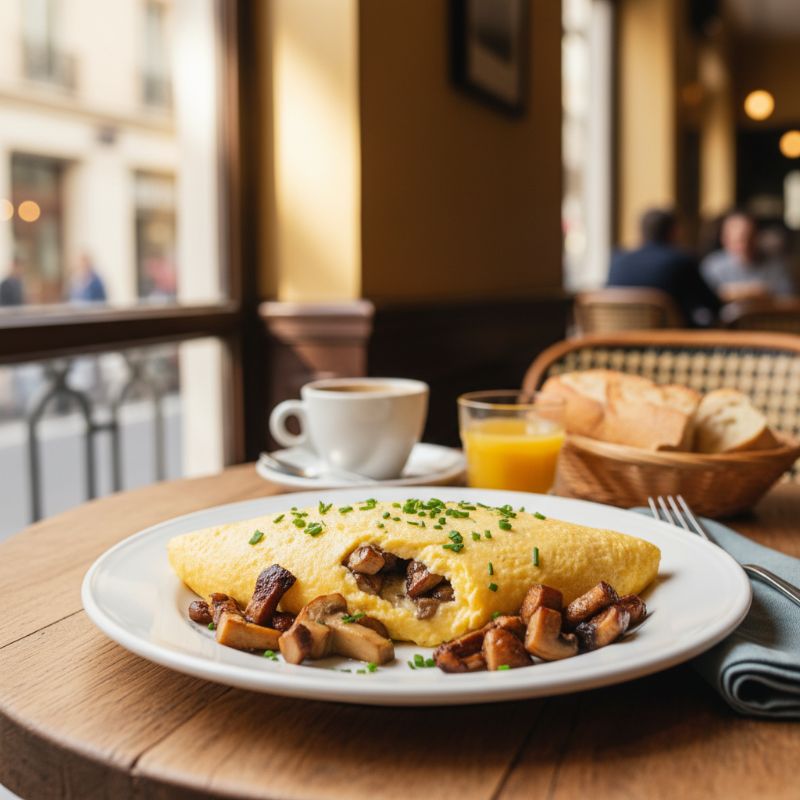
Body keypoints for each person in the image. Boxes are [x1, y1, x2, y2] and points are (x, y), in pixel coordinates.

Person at [607, 208, 721, 327]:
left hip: (617, 333)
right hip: (667, 335)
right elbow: (713, 304)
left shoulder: (617, 259)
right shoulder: (681, 260)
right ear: (674, 231)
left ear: (640, 231)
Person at [700, 211, 794, 299]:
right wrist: (757, 291)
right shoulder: (712, 266)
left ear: (756, 236)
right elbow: (705, 299)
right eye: (738, 239)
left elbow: (787, 297)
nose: (745, 244)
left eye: (749, 236)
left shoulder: (775, 265)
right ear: (724, 238)